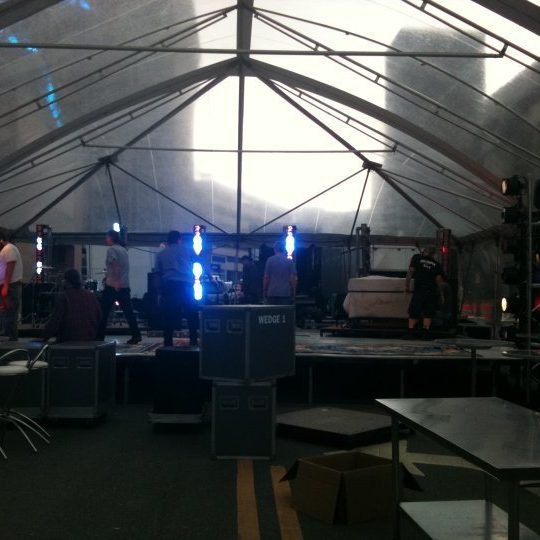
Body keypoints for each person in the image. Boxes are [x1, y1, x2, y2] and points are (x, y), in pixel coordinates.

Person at [97, 230, 142, 345]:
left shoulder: (112, 250)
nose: (106, 239)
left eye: (107, 237)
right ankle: (136, 335)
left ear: (111, 238)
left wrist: (116, 281)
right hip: (125, 285)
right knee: (128, 312)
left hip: (113, 286)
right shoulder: (123, 250)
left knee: (103, 311)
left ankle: (99, 336)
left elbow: (115, 265)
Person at [155, 230, 199, 347]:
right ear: (179, 239)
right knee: (191, 314)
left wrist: (159, 292)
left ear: (168, 240)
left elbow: (158, 273)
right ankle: (194, 341)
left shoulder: (161, 254)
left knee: (169, 315)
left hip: (170, 285)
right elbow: (199, 262)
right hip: (187, 285)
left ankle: (168, 343)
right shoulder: (188, 250)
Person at [42, 269, 102, 343]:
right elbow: (99, 317)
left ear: (65, 281)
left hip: (68, 342)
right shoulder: (91, 296)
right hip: (90, 341)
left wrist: (44, 336)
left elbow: (55, 322)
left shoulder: (64, 297)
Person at [405, 245, 444, 339]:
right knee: (428, 312)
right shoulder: (437, 264)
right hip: (431, 291)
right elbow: (439, 280)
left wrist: (407, 286)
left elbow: (410, 272)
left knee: (414, 311)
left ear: (424, 252)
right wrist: (441, 293)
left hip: (419, 290)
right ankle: (425, 333)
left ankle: (411, 332)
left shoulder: (417, 259)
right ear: (433, 254)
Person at [0, 231, 23, 341]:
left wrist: (5, 286)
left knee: (10, 311)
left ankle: (11, 337)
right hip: (8, 285)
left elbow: (10, 266)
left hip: (10, 285)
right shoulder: (6, 249)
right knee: (6, 311)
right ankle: (7, 334)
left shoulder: (9, 249)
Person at [263, 241, 297, 305]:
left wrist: (264, 291)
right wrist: (294, 293)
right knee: (284, 311)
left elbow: (266, 277)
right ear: (284, 249)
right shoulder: (289, 261)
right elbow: (293, 279)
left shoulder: (269, 260)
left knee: (271, 311)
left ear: (274, 249)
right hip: (285, 293)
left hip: (272, 292)